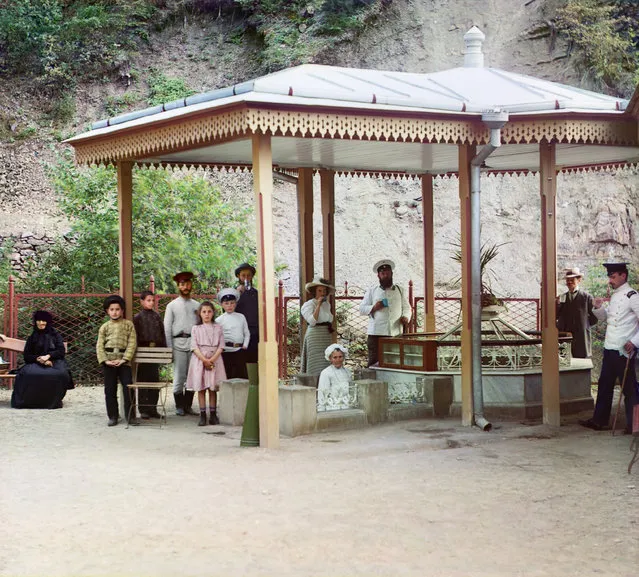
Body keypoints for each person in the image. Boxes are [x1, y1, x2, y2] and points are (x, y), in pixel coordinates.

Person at [580, 262, 639, 433]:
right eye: (609, 277)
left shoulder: (632, 296)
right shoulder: (615, 296)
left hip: (624, 350)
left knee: (629, 388)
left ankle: (633, 424)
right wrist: (598, 308)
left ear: (623, 276)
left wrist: (634, 342)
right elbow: (608, 319)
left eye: (613, 277)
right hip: (610, 347)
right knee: (604, 384)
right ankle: (599, 420)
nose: (610, 281)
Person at [10, 310, 73, 409]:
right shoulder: (33, 336)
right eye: (38, 320)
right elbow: (27, 355)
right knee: (28, 374)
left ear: (48, 322)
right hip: (36, 362)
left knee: (60, 374)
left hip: (54, 361)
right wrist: (38, 359)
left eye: (43, 320)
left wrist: (48, 356)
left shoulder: (55, 335)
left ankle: (53, 401)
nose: (41, 323)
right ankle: (28, 401)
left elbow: (61, 351)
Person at [359, 259, 412, 367]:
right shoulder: (372, 290)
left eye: (387, 273)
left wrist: (406, 317)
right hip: (376, 334)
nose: (385, 275)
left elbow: (407, 308)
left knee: (395, 362)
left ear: (391, 274)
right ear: (378, 276)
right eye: (382, 273)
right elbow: (362, 309)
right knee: (374, 364)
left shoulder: (400, 290)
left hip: (395, 333)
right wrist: (374, 307)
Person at [96, 295, 137, 427]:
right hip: (109, 362)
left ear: (122, 310)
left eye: (117, 309)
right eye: (112, 309)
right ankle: (113, 416)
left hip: (124, 362)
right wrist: (105, 360)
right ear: (107, 311)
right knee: (110, 389)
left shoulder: (128, 325)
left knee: (128, 388)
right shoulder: (104, 327)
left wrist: (125, 359)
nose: (115, 312)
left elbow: (132, 343)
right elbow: (99, 345)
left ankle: (131, 416)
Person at [164, 271, 200, 416]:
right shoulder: (171, 306)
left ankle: (188, 406)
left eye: (187, 283)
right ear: (178, 286)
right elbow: (167, 327)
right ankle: (179, 406)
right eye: (182, 284)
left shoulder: (197, 305)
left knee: (193, 375)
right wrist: (169, 348)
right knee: (179, 375)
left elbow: (201, 326)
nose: (185, 286)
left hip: (193, 343)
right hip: (177, 342)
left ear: (191, 285)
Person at [186, 301, 226, 426]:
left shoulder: (218, 327)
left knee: (212, 388)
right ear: (200, 313)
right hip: (200, 360)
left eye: (209, 311)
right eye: (204, 312)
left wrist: (212, 359)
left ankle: (213, 415)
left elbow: (221, 346)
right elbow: (194, 346)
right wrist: (204, 360)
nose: (207, 314)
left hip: (215, 359)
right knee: (201, 388)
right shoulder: (196, 328)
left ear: (213, 313)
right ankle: (203, 415)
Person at [133, 290, 167, 419]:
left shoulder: (157, 316)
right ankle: (143, 409)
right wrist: (137, 353)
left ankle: (153, 408)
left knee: (154, 380)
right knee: (143, 382)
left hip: (155, 351)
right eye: (148, 300)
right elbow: (135, 337)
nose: (151, 303)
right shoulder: (137, 318)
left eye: (153, 300)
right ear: (141, 302)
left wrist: (163, 350)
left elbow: (162, 333)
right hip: (143, 352)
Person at [556, 267, 598, 358]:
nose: (569, 282)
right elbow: (556, 315)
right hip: (565, 336)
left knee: (581, 360)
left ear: (579, 280)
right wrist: (557, 305)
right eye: (567, 280)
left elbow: (594, 318)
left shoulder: (587, 297)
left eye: (572, 279)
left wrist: (584, 325)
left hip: (581, 337)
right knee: (563, 360)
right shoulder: (562, 297)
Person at [300, 277, 335, 375]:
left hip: (325, 335)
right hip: (314, 335)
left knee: (326, 360)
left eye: (324, 290)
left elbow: (329, 319)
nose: (322, 293)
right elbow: (312, 321)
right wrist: (318, 305)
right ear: (314, 291)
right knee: (314, 362)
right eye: (319, 290)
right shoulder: (309, 304)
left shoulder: (327, 304)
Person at [215, 288, 250, 379]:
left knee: (241, 377)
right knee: (226, 377)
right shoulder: (219, 320)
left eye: (232, 303)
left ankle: (241, 393)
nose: (229, 306)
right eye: (226, 303)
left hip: (239, 350)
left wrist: (245, 345)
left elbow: (246, 333)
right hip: (225, 352)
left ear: (235, 303)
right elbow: (216, 337)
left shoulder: (241, 317)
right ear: (222, 305)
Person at [234, 263, 258, 365]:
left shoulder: (256, 293)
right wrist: (237, 294)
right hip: (239, 332)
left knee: (252, 360)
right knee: (239, 360)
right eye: (243, 275)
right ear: (239, 276)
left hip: (254, 332)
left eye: (248, 275)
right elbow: (227, 311)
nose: (246, 278)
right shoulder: (233, 293)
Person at [317, 344, 351, 411]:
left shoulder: (347, 372)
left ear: (344, 357)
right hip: (331, 407)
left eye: (340, 357)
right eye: (335, 357)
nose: (338, 360)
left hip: (346, 405)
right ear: (330, 358)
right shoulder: (326, 373)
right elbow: (322, 393)